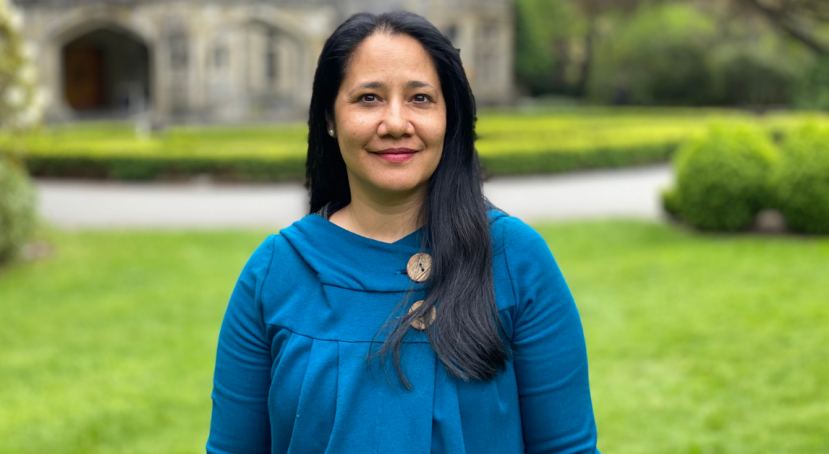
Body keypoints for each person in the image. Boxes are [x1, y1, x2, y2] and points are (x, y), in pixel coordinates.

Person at [207, 11, 599, 454]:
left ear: (449, 116)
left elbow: (568, 448)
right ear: (329, 118)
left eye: (420, 99)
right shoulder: (276, 272)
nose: (395, 123)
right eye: (369, 98)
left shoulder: (515, 260)